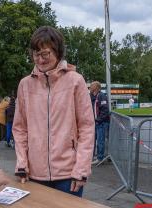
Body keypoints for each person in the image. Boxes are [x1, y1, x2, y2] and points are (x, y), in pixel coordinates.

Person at [13, 26, 94, 197]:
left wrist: (82, 169)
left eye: (45, 54)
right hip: (34, 173)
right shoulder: (25, 84)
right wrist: (22, 163)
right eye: (36, 54)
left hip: (68, 174)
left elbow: (86, 127)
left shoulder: (75, 81)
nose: (40, 60)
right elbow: (20, 128)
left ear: (58, 51)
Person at [90, 81, 110, 165]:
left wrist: (98, 120)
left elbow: (105, 110)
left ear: (96, 87)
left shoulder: (102, 96)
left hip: (101, 122)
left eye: (91, 86)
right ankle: (97, 156)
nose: (90, 87)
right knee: (95, 140)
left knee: (100, 140)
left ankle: (100, 157)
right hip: (96, 122)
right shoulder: (94, 96)